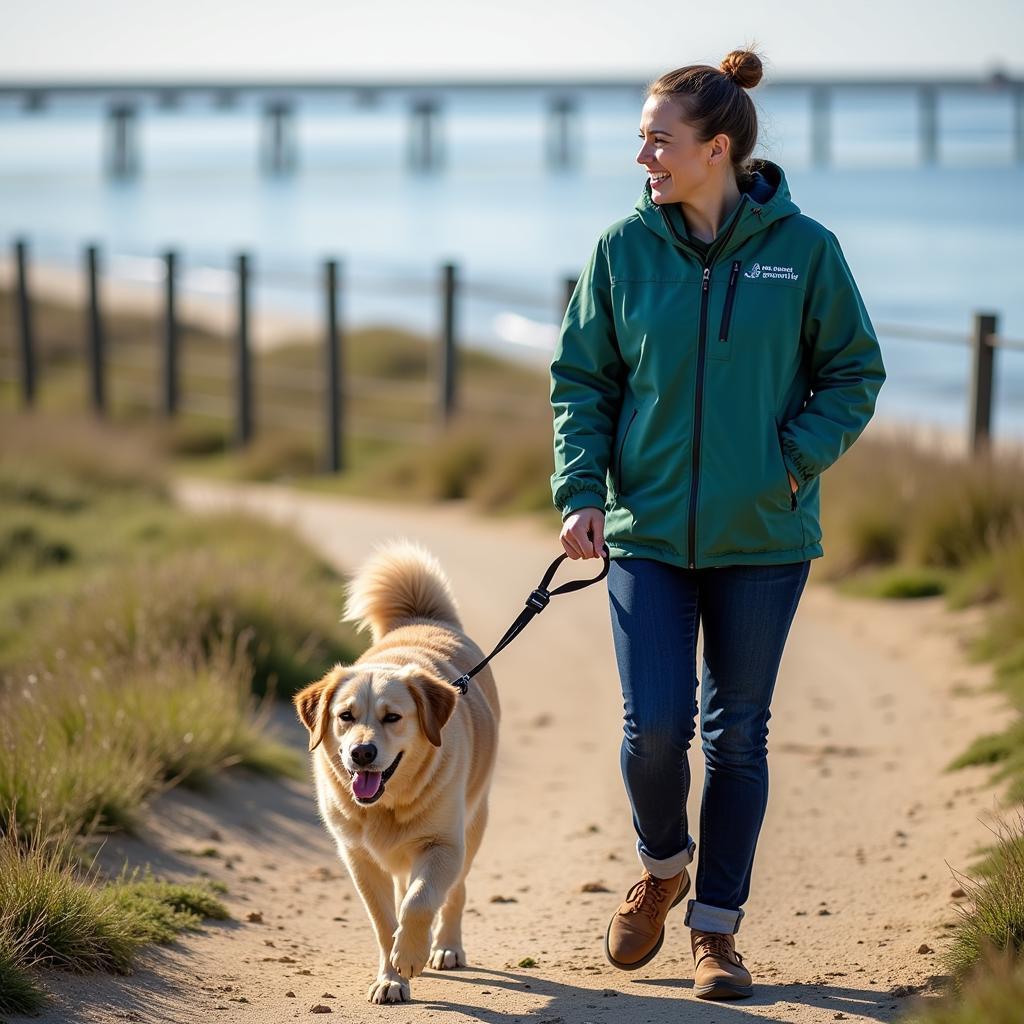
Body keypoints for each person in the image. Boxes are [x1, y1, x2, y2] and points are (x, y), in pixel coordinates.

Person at [548, 48, 886, 1001]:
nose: (644, 156)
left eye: (659, 139)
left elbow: (854, 372)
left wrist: (789, 460)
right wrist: (580, 489)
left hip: (765, 541)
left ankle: (716, 935)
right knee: (652, 728)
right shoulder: (623, 250)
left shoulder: (804, 250)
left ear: (717, 147)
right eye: (643, 139)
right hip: (646, 533)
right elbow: (583, 380)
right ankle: (663, 868)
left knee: (737, 735)